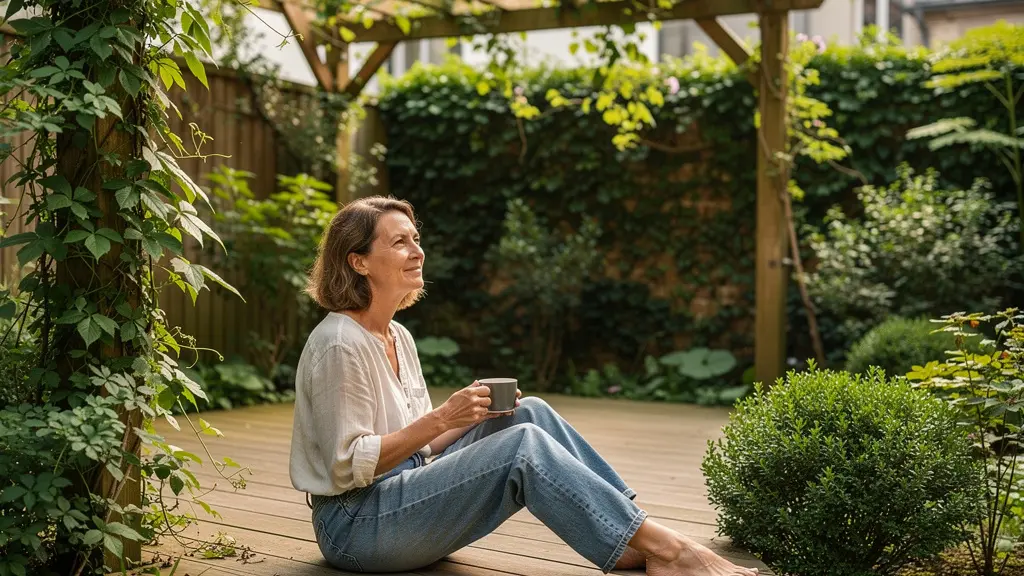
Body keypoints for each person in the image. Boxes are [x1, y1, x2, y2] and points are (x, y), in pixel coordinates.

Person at [288, 195, 758, 576]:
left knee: (525, 412)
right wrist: (442, 417)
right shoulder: (339, 344)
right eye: (399, 243)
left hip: (403, 495)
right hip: (356, 527)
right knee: (522, 447)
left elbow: (418, 448)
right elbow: (346, 465)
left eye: (416, 238)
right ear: (359, 261)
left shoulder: (397, 334)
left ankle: (635, 533)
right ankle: (669, 552)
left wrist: (471, 415)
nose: (417, 251)